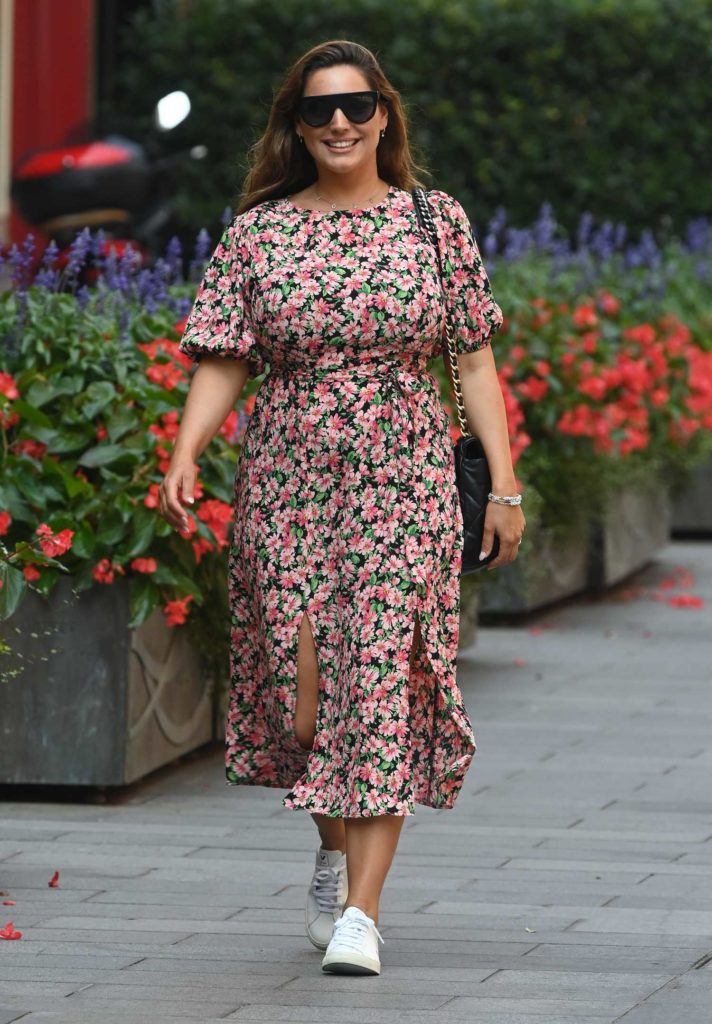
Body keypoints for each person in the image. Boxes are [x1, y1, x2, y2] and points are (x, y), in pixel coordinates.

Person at [160, 39, 525, 977]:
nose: (338, 123)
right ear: (293, 125)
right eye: (317, 110)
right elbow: (225, 354)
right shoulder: (262, 231)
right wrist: (186, 449)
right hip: (287, 479)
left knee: (383, 678)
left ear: (384, 115)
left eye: (357, 105)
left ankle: (363, 912)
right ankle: (333, 849)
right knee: (301, 690)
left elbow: (474, 358)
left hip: (406, 482)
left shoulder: (432, 224)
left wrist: (505, 484)